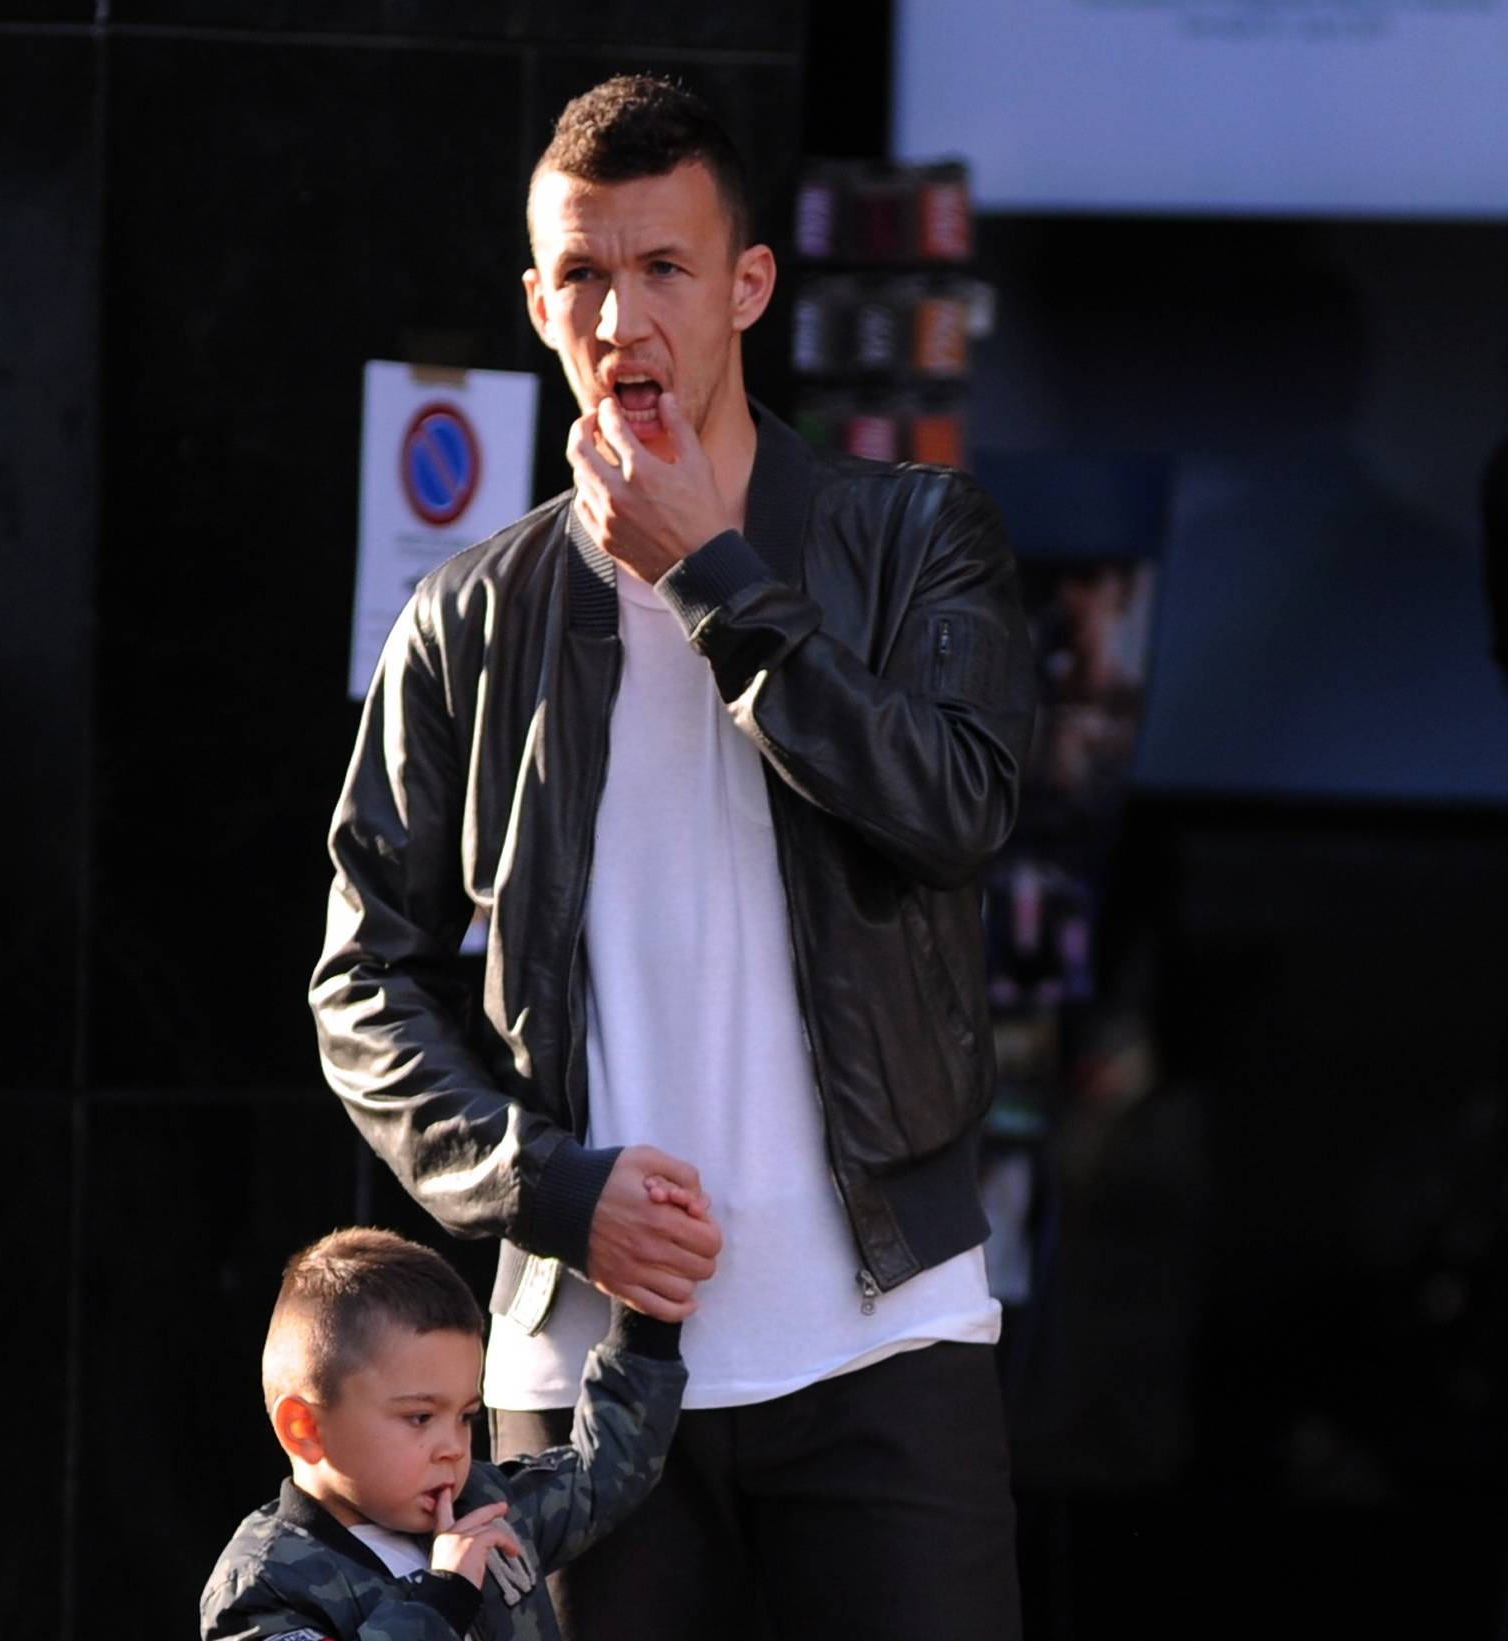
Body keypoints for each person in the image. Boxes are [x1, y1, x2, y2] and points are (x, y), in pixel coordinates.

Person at [311, 74, 1035, 1641]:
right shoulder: (470, 619)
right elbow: (363, 982)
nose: (620, 315)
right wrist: (550, 1188)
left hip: (880, 1346)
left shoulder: (912, 539)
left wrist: (717, 577)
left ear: (748, 287)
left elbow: (955, 802)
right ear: (534, 300)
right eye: (580, 272)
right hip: (578, 1397)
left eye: (663, 269)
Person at [199, 1226, 687, 1641]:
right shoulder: (263, 1582)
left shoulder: (488, 1506)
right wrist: (441, 1599)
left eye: (466, 1416)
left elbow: (606, 1470)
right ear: (304, 1429)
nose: (453, 1448)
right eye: (419, 1418)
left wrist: (648, 1314)